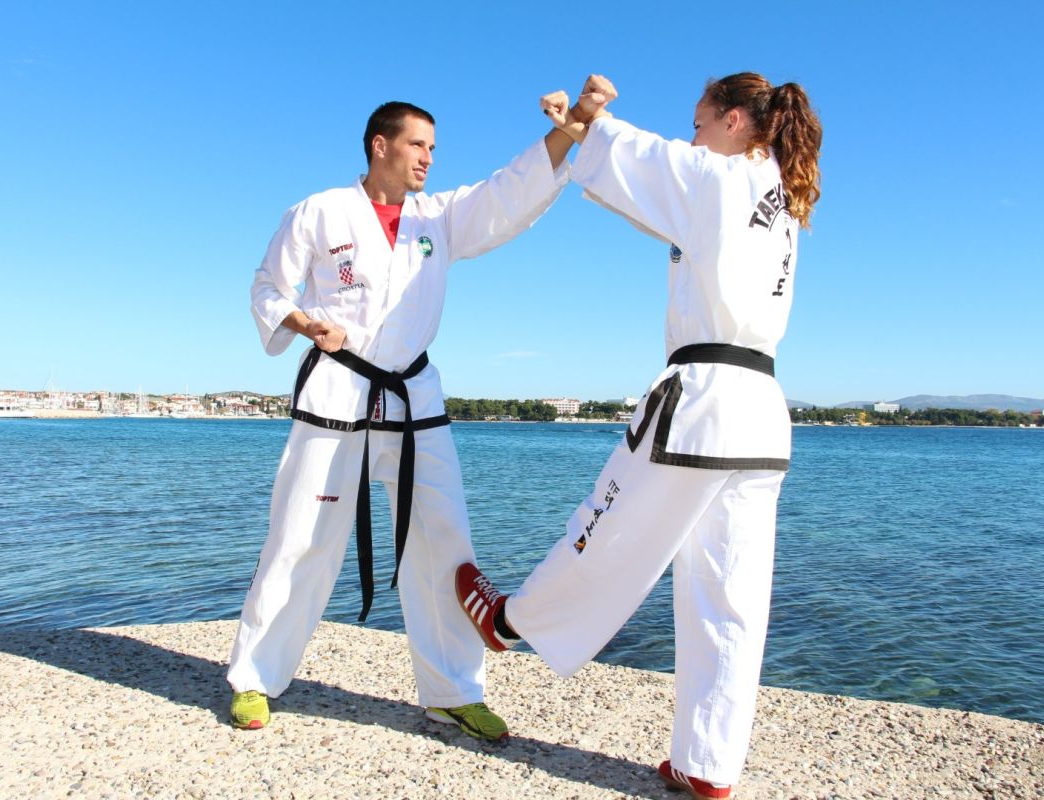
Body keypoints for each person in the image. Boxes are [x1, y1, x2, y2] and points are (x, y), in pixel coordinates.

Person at [456, 73, 822, 796]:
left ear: (734, 120)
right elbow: (655, 195)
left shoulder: (719, 179)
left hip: (705, 400)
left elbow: (646, 158)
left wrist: (589, 119)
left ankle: (510, 622)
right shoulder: (778, 198)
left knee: (607, 523)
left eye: (700, 122)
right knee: (731, 595)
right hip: (761, 415)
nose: (692, 136)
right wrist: (586, 130)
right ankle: (707, 764)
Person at [228, 100, 575, 741]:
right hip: (337, 393)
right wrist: (305, 323)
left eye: (433, 149)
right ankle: (254, 677)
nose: (428, 158)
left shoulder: (436, 217)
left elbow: (505, 195)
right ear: (380, 145)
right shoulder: (319, 211)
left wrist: (565, 134)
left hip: (414, 398)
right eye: (418, 145)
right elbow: (267, 288)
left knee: (444, 542)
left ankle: (453, 693)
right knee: (302, 538)